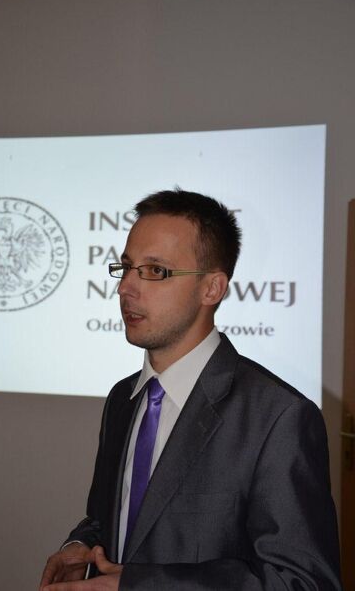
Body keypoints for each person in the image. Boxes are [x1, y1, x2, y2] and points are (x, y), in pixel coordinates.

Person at [40, 189, 341, 590]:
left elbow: (302, 582)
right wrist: (81, 545)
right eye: (126, 268)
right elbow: (113, 519)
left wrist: (141, 586)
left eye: (155, 271)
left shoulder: (279, 417)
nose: (125, 288)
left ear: (212, 289)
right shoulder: (122, 398)